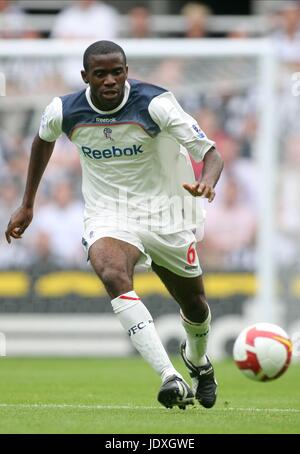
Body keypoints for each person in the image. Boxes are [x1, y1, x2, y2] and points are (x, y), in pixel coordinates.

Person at [5, 40, 223, 410]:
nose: (110, 80)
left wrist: (208, 183)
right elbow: (42, 142)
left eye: (117, 71)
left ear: (126, 70)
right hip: (109, 213)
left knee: (196, 305)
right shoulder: (64, 110)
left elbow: (211, 153)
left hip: (166, 214)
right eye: (100, 73)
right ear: (85, 76)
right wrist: (27, 204)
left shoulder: (155, 103)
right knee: (110, 271)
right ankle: (168, 376)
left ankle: (199, 362)